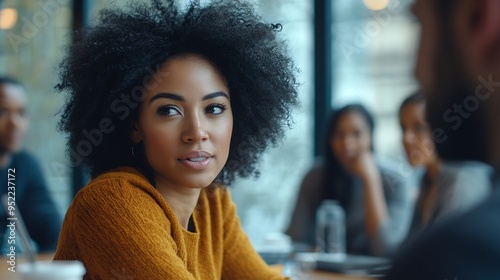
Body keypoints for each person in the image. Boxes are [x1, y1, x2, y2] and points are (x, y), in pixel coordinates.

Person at [52, 0, 299, 279]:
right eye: (169, 110)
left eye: (214, 108)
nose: (196, 131)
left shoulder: (211, 202)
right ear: (135, 125)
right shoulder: (112, 202)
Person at [386, 0, 500, 278]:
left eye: (421, 24)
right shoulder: (425, 184)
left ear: (479, 17)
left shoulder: (455, 255)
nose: (416, 70)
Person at [286, 104, 412, 257]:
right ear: (330, 139)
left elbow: (385, 249)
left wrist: (370, 180)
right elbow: (296, 239)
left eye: (357, 134)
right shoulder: (315, 176)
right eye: (339, 134)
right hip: (324, 272)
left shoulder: (396, 179)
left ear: (371, 136)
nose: (347, 143)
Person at [399, 92, 491, 243]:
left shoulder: (462, 181)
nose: (406, 138)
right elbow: (410, 245)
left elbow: (445, 255)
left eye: (419, 128)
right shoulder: (426, 179)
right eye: (403, 128)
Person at [0, 76, 62, 253]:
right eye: (2, 112)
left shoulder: (24, 166)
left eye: (21, 113)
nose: (15, 123)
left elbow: (54, 236)